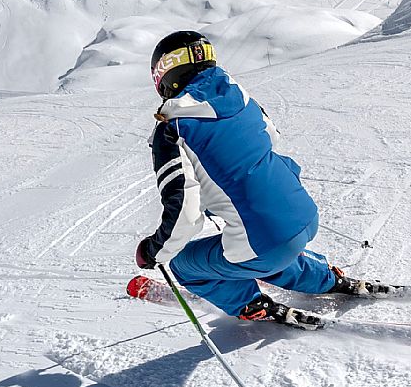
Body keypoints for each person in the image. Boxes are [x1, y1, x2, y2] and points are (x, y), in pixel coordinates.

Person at [129, 30, 389, 325]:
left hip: (266, 243)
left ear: (164, 72)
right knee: (261, 245)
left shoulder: (173, 128)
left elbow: (185, 214)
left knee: (185, 263)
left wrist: (154, 251)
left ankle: (250, 303)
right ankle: (326, 278)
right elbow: (271, 138)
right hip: (304, 216)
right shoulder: (241, 100)